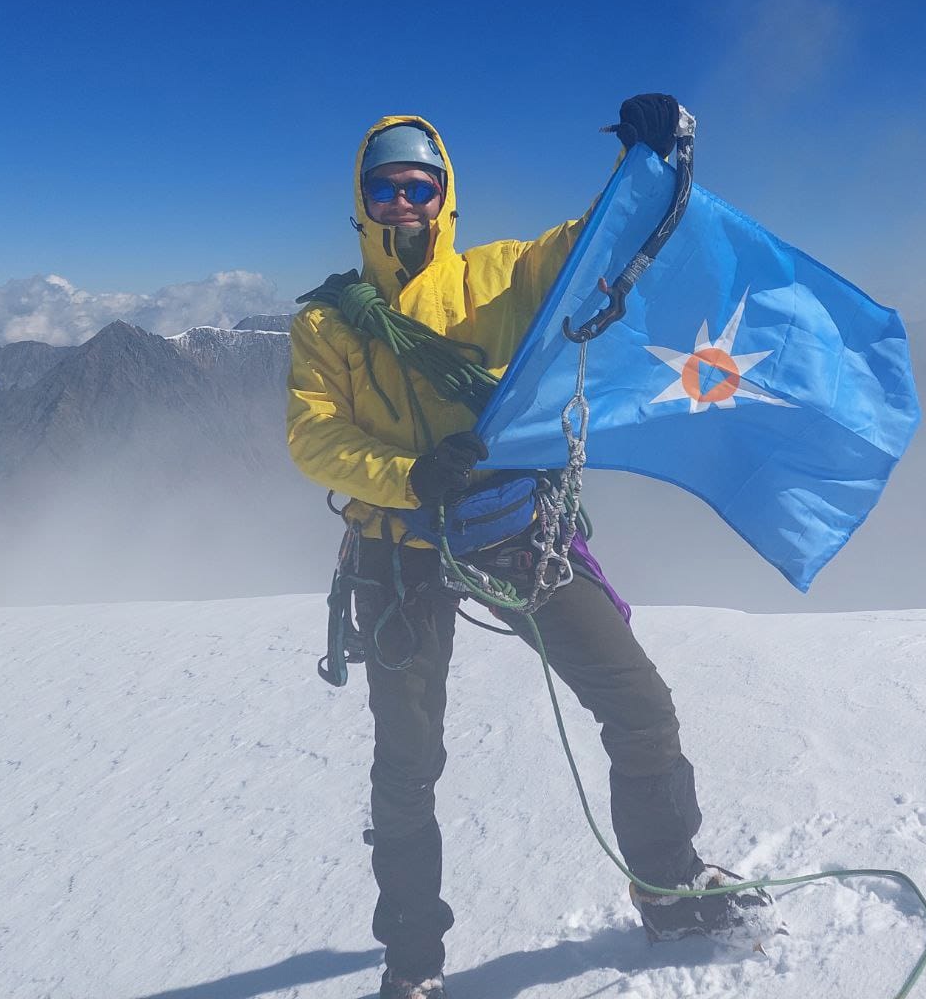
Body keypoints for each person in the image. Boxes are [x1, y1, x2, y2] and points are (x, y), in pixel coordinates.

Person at [286, 97, 770, 999]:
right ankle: (413, 966)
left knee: (638, 702)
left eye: (418, 187)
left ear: (444, 198)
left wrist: (651, 161)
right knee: (407, 763)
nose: (403, 204)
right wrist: (409, 475)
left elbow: (599, 243)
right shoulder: (328, 324)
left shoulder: (498, 279)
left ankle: (667, 888)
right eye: (385, 189)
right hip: (400, 546)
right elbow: (313, 435)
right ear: (362, 203)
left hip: (512, 528)